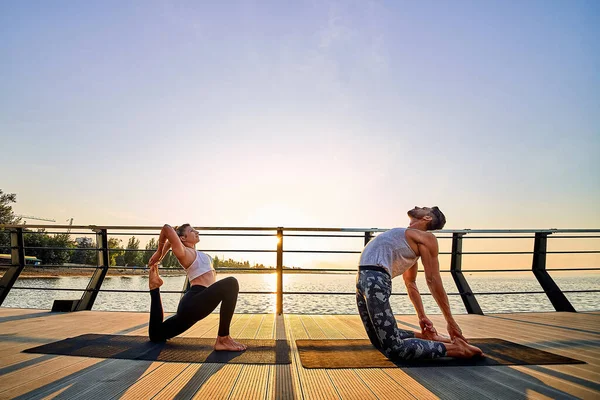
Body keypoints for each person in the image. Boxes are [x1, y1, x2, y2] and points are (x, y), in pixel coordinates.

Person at [356, 206, 483, 360]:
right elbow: (410, 283)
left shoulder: (426, 238)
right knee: (378, 341)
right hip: (363, 281)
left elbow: (433, 280)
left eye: (424, 208)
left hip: (375, 280)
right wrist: (422, 317)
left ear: (427, 218)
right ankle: (426, 337)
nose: (417, 207)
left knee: (394, 350)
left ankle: (458, 349)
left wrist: (451, 322)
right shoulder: (405, 240)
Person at [147, 224, 246, 351]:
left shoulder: (197, 253)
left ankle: (154, 288)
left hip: (199, 302)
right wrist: (159, 253)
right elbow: (167, 228)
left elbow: (171, 239)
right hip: (194, 302)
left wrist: (169, 243)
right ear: (183, 238)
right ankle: (223, 339)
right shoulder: (184, 253)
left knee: (156, 335)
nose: (196, 232)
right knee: (231, 283)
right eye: (192, 231)